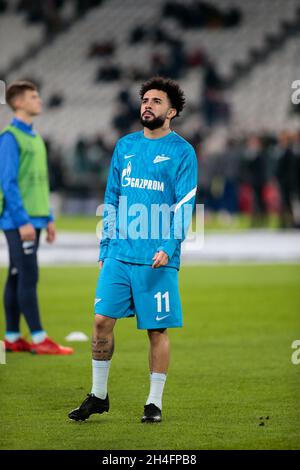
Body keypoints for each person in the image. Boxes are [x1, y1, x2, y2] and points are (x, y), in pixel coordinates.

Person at [68, 76, 197, 423]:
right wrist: (105, 247)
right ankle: (98, 395)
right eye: (145, 100)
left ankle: (153, 403)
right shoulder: (124, 146)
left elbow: (185, 204)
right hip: (119, 254)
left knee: (157, 331)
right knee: (100, 322)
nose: (147, 105)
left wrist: (169, 247)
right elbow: (111, 199)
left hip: (157, 258)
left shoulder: (182, 152)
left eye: (156, 101)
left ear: (171, 111)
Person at [0, 80, 73, 355]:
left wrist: (49, 217)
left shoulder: (35, 137)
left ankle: (12, 336)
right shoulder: (9, 138)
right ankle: (40, 339)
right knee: (28, 274)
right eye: (33, 96)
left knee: (17, 275)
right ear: (18, 102)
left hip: (37, 217)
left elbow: (40, 184)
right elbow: (7, 183)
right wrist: (22, 221)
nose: (39, 100)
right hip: (21, 220)